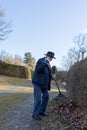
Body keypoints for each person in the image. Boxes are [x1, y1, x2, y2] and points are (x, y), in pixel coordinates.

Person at [32, 51, 56, 120]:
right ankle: (35, 114)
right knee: (38, 98)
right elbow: (39, 69)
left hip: (44, 85)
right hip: (37, 82)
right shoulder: (41, 61)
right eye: (50, 57)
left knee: (46, 97)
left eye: (52, 57)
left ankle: (41, 111)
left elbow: (48, 75)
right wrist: (46, 62)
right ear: (47, 56)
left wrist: (52, 77)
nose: (51, 58)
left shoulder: (48, 65)